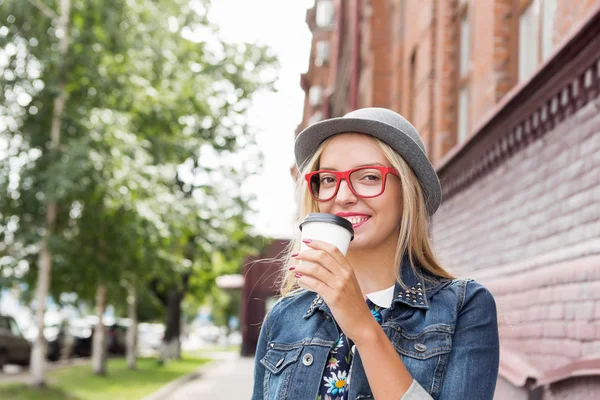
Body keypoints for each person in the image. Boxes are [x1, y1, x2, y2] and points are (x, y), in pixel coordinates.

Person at [251, 108, 499, 400]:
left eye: (368, 177)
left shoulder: (463, 308)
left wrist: (364, 329)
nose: (343, 196)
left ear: (408, 191)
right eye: (329, 180)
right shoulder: (284, 317)